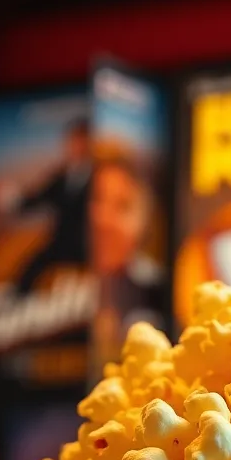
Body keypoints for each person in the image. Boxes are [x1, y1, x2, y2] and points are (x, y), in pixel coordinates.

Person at [89, 152, 164, 371]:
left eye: (123, 206)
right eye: (96, 199)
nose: (103, 218)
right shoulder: (46, 284)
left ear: (145, 222)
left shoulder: (157, 291)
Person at [2, 118, 93, 295]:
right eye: (73, 141)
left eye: (82, 140)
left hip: (89, 245)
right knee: (27, 273)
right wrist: (16, 202)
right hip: (60, 243)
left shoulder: (102, 176)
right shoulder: (61, 176)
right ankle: (18, 304)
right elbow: (39, 197)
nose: (77, 146)